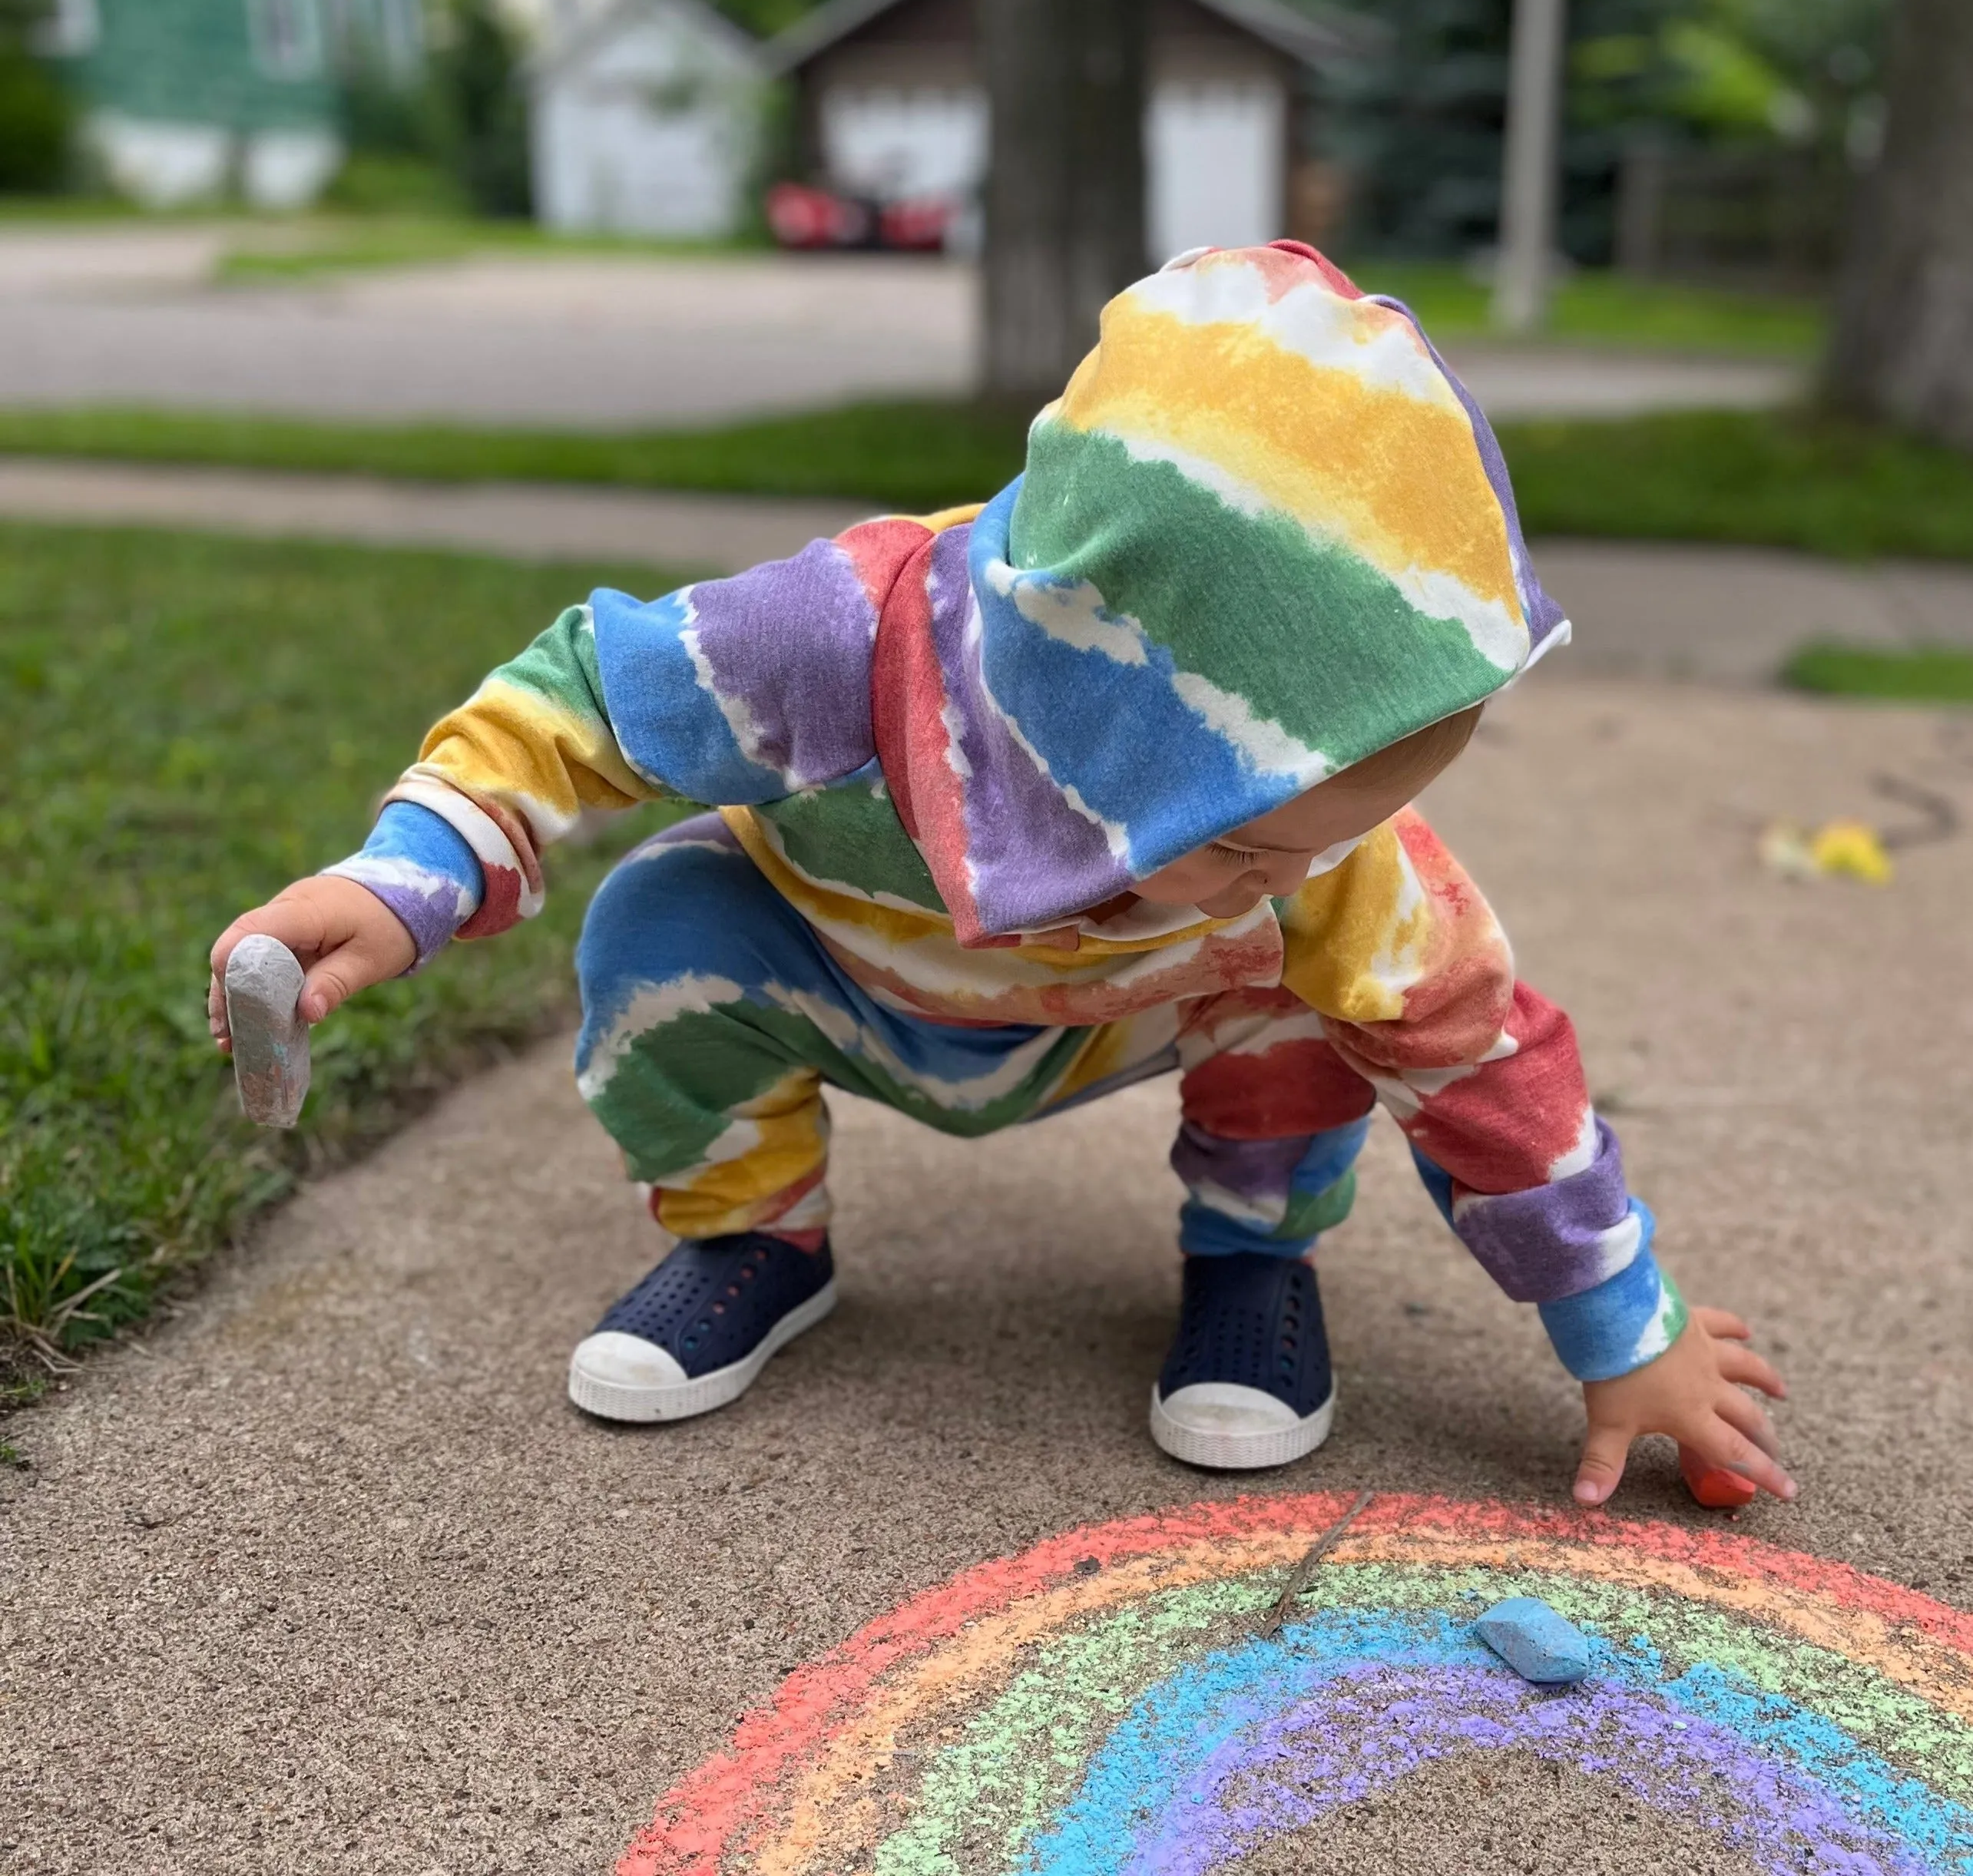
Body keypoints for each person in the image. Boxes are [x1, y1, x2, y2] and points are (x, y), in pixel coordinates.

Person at [207, 240, 1791, 1502]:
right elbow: (581, 697)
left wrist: (1620, 1330)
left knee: (1315, 988)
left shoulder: (1310, 865)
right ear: (1099, 715)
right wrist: (410, 871)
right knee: (660, 922)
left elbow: (1480, 1057)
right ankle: (753, 1235)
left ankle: (1254, 1262)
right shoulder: (836, 641)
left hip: (1126, 1011)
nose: (1281, 870)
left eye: (1311, 838)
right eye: (1238, 833)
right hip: (843, 970)